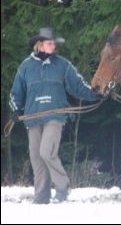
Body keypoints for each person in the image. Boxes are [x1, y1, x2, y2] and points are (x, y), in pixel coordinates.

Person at [9, 27, 103, 204]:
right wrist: (16, 110)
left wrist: (94, 94)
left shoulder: (63, 65)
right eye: (50, 43)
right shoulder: (25, 67)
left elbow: (78, 86)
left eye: (53, 43)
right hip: (32, 118)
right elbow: (16, 93)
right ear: (40, 45)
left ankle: (62, 188)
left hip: (55, 116)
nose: (53, 46)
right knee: (36, 157)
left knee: (47, 152)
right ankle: (41, 198)